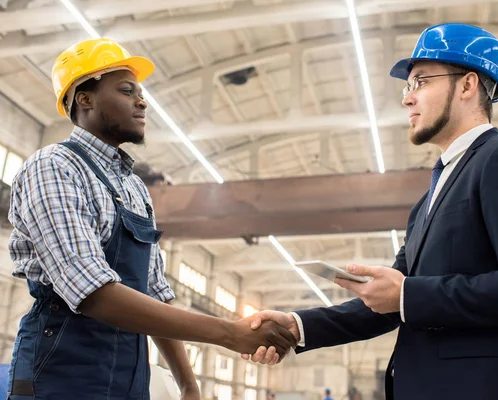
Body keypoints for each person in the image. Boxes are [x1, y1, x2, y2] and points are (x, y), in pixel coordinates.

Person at [243, 23, 498, 399]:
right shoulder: (425, 204)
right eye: (407, 87)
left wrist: (408, 296)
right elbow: (389, 302)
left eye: (421, 82)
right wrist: (298, 327)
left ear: (467, 85)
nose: (407, 99)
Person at [5, 38, 296, 400]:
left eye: (141, 93)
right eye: (127, 91)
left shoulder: (135, 188)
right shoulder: (53, 167)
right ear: (85, 99)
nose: (142, 102)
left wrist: (189, 385)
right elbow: (92, 292)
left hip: (129, 377)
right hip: (61, 374)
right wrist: (230, 333)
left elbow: (156, 294)